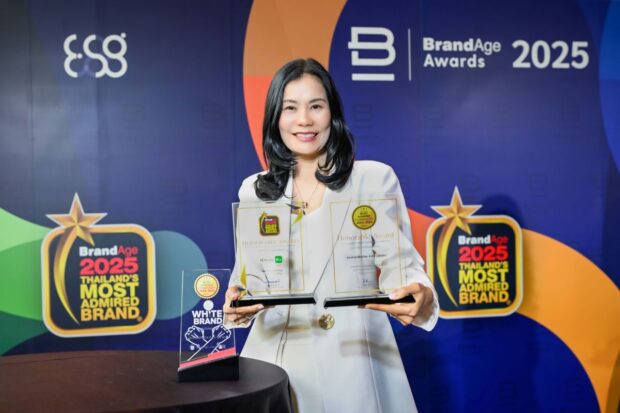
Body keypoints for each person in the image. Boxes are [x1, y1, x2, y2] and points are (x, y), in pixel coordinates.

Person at [224, 58, 439, 413]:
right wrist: (238, 305)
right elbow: (248, 279)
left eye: (316, 106)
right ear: (275, 118)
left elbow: (403, 269)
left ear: (332, 114)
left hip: (353, 364)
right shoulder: (255, 190)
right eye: (290, 108)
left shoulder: (372, 180)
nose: (304, 120)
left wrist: (420, 296)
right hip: (275, 366)